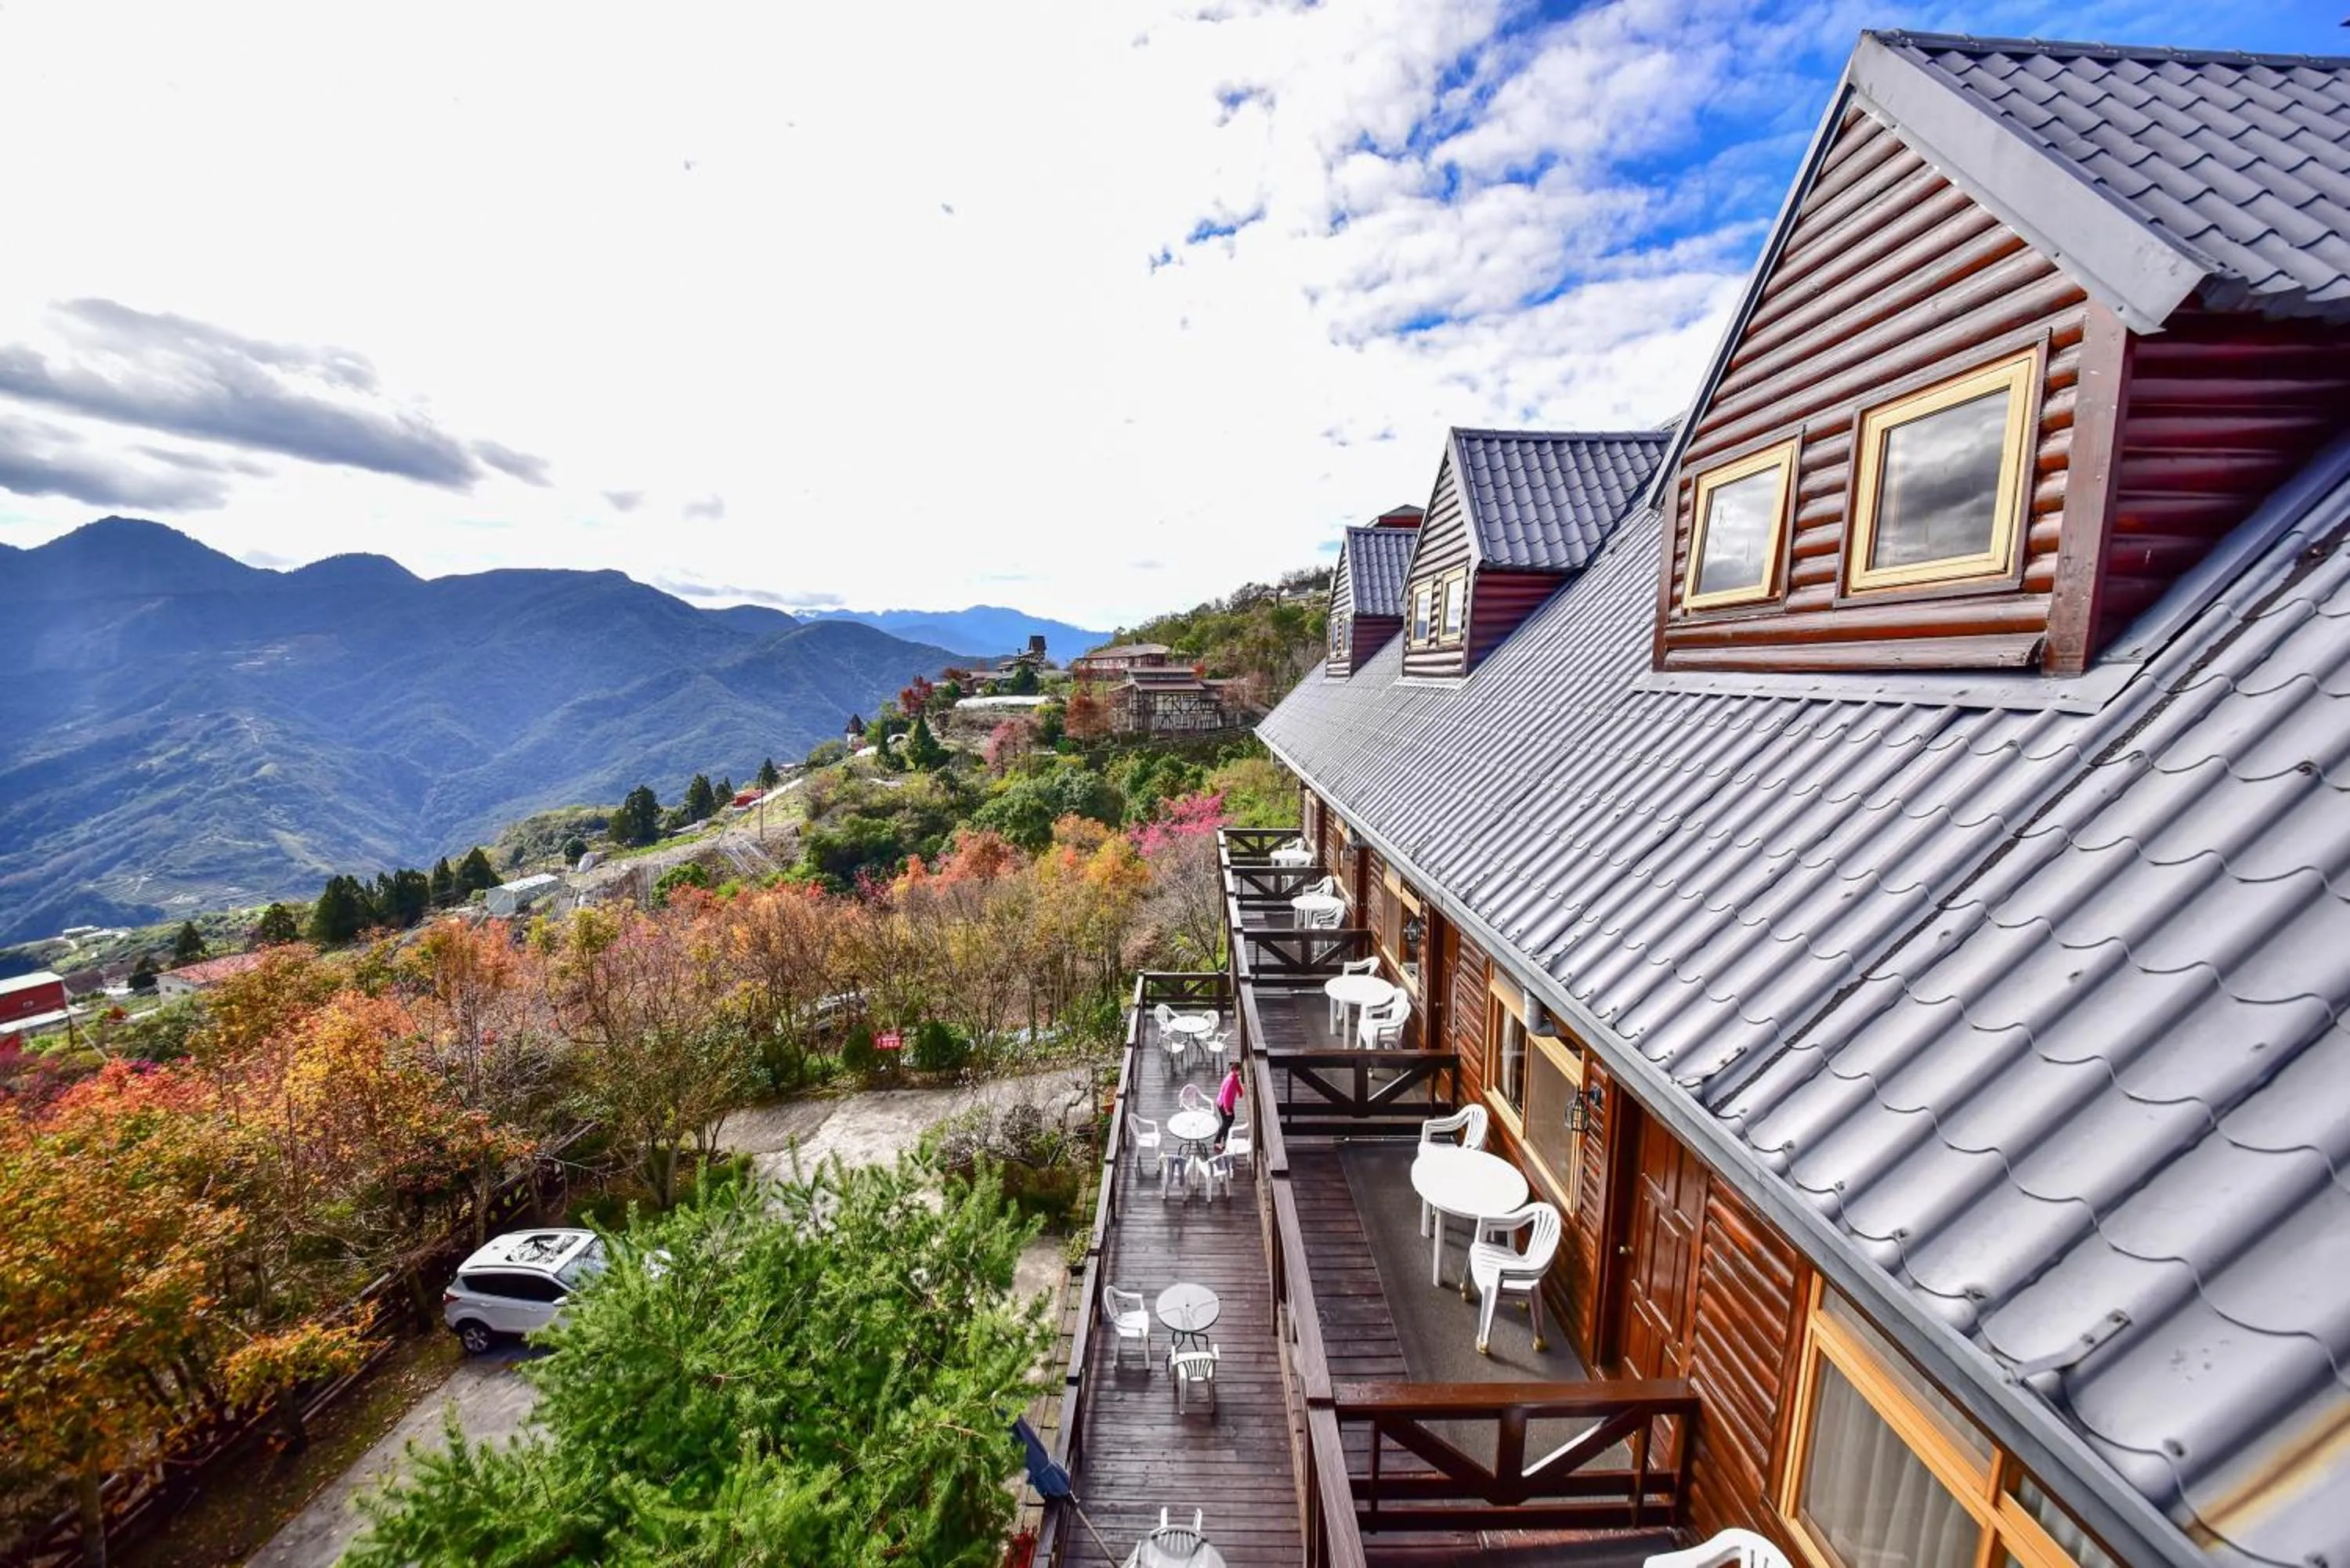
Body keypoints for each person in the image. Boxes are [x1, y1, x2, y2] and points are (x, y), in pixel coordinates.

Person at [1214, 1060, 1244, 1151]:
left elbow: (1237, 1084)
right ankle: (1217, 1141)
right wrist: (1227, 1110)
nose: (1241, 1072)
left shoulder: (1234, 1077)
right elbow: (1226, 1097)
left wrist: (1240, 1092)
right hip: (1223, 1104)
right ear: (1235, 1070)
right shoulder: (1230, 1080)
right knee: (1227, 1122)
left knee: (1228, 1120)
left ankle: (1226, 1137)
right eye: (1240, 1071)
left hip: (1227, 1104)